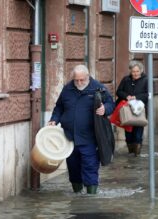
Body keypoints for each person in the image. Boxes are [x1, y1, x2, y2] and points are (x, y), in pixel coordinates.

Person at [48, 64, 115, 194]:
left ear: (87, 77)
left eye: (81, 80)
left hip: (89, 138)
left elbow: (111, 103)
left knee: (90, 167)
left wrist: (105, 109)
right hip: (69, 138)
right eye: (76, 80)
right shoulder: (67, 89)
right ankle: (77, 195)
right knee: (73, 168)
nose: (78, 82)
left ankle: (91, 198)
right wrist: (54, 120)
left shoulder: (98, 88)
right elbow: (59, 107)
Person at [116, 60, 148, 156]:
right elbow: (119, 92)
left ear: (141, 71)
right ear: (130, 71)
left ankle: (137, 154)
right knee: (128, 135)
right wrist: (127, 96)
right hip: (127, 111)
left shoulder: (146, 80)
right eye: (133, 71)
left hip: (140, 111)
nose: (135, 73)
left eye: (137, 71)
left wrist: (136, 97)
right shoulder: (126, 79)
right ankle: (130, 152)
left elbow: (148, 94)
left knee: (138, 135)